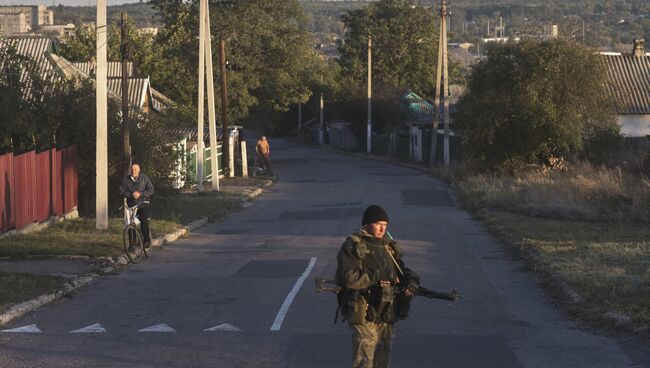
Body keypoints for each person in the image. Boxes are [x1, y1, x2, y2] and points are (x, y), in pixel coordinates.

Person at [335, 205, 420, 368]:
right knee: (365, 360)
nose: (382, 228)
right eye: (377, 224)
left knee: (383, 359)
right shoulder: (353, 246)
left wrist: (412, 280)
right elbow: (348, 278)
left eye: (385, 225)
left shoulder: (387, 247)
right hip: (364, 311)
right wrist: (376, 275)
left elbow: (401, 270)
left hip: (387, 312)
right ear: (366, 224)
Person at [119, 162, 155, 248]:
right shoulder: (125, 180)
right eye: (132, 169)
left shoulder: (144, 178)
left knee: (143, 220)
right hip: (131, 205)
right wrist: (131, 195)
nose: (133, 171)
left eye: (135, 169)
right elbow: (121, 191)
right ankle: (132, 244)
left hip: (143, 204)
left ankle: (147, 241)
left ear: (139, 170)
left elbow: (151, 189)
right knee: (130, 224)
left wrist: (141, 194)